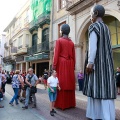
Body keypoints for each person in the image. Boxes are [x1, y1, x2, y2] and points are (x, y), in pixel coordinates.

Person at [83, 5, 116, 120]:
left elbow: (93, 47)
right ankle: (107, 116)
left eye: (91, 13)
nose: (90, 16)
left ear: (96, 13)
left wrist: (90, 63)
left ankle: (95, 115)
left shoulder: (94, 27)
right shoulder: (106, 28)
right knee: (106, 89)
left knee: (97, 88)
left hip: (97, 66)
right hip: (107, 65)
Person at [53, 24, 76, 110]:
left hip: (61, 63)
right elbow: (74, 56)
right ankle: (70, 103)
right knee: (69, 82)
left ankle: (62, 104)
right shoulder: (72, 43)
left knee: (61, 82)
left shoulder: (59, 41)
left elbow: (56, 54)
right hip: (70, 63)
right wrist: (73, 66)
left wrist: (54, 65)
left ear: (62, 31)